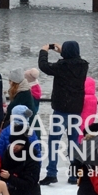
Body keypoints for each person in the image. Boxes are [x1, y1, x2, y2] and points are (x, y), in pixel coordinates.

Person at [38, 41, 88, 184]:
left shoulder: (61, 66)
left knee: (54, 141)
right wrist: (63, 53)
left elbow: (44, 66)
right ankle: (74, 174)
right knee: (74, 142)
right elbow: (74, 60)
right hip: (76, 110)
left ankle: (51, 172)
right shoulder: (83, 66)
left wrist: (44, 51)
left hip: (61, 109)